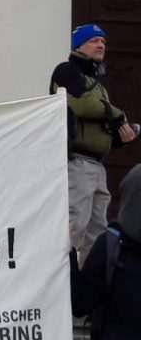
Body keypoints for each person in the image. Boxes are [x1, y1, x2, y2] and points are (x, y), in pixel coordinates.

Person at [50, 23, 138, 262]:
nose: (101, 45)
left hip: (96, 165)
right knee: (73, 225)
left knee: (97, 233)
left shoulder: (95, 83)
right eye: (94, 41)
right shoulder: (66, 71)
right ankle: (61, 277)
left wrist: (119, 136)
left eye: (103, 42)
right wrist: (118, 115)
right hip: (76, 162)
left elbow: (94, 123)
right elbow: (82, 105)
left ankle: (88, 281)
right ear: (78, 45)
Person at [69, 164, 141, 340]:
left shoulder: (110, 245)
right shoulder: (111, 245)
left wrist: (69, 256)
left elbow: (80, 302)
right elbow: (81, 302)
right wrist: (68, 254)